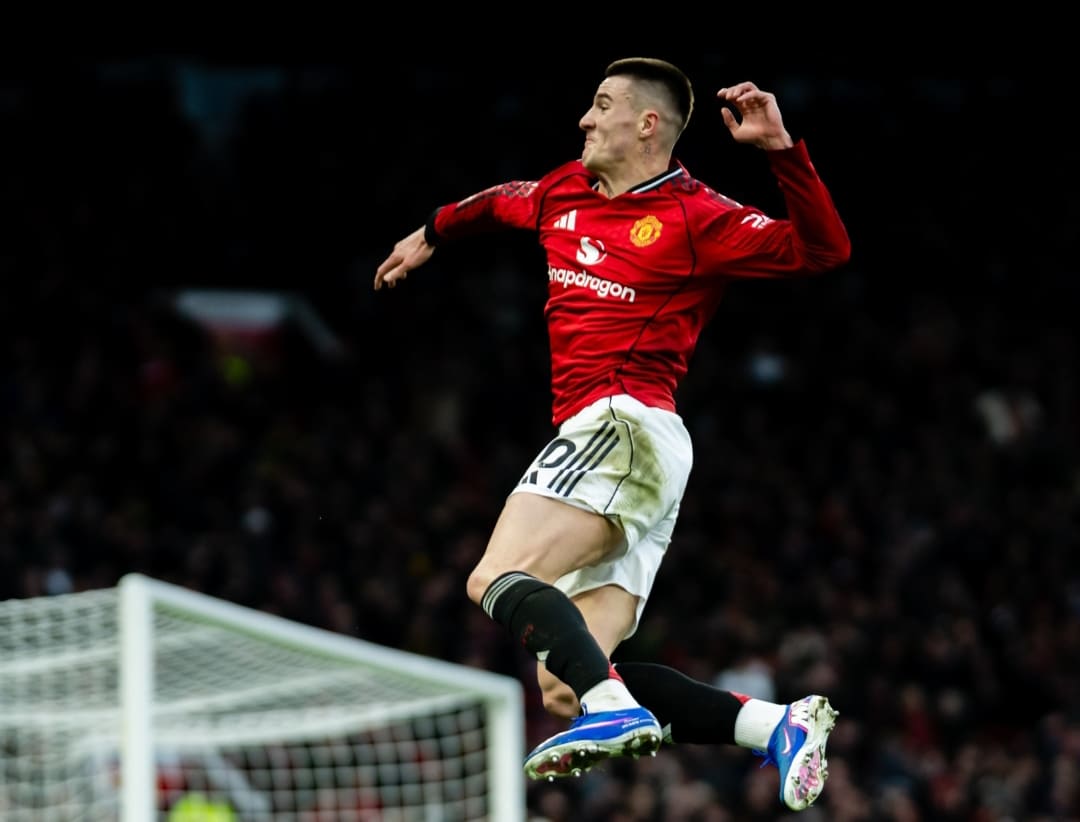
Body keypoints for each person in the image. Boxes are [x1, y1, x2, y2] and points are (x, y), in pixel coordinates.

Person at [375, 57, 851, 812]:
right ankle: (772, 725)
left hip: (624, 422)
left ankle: (616, 711)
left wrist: (781, 152)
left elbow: (822, 250)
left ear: (647, 124)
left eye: (601, 107)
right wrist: (433, 229)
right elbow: (501, 202)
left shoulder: (699, 216)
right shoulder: (567, 190)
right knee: (568, 683)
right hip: (635, 452)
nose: (585, 120)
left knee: (492, 576)